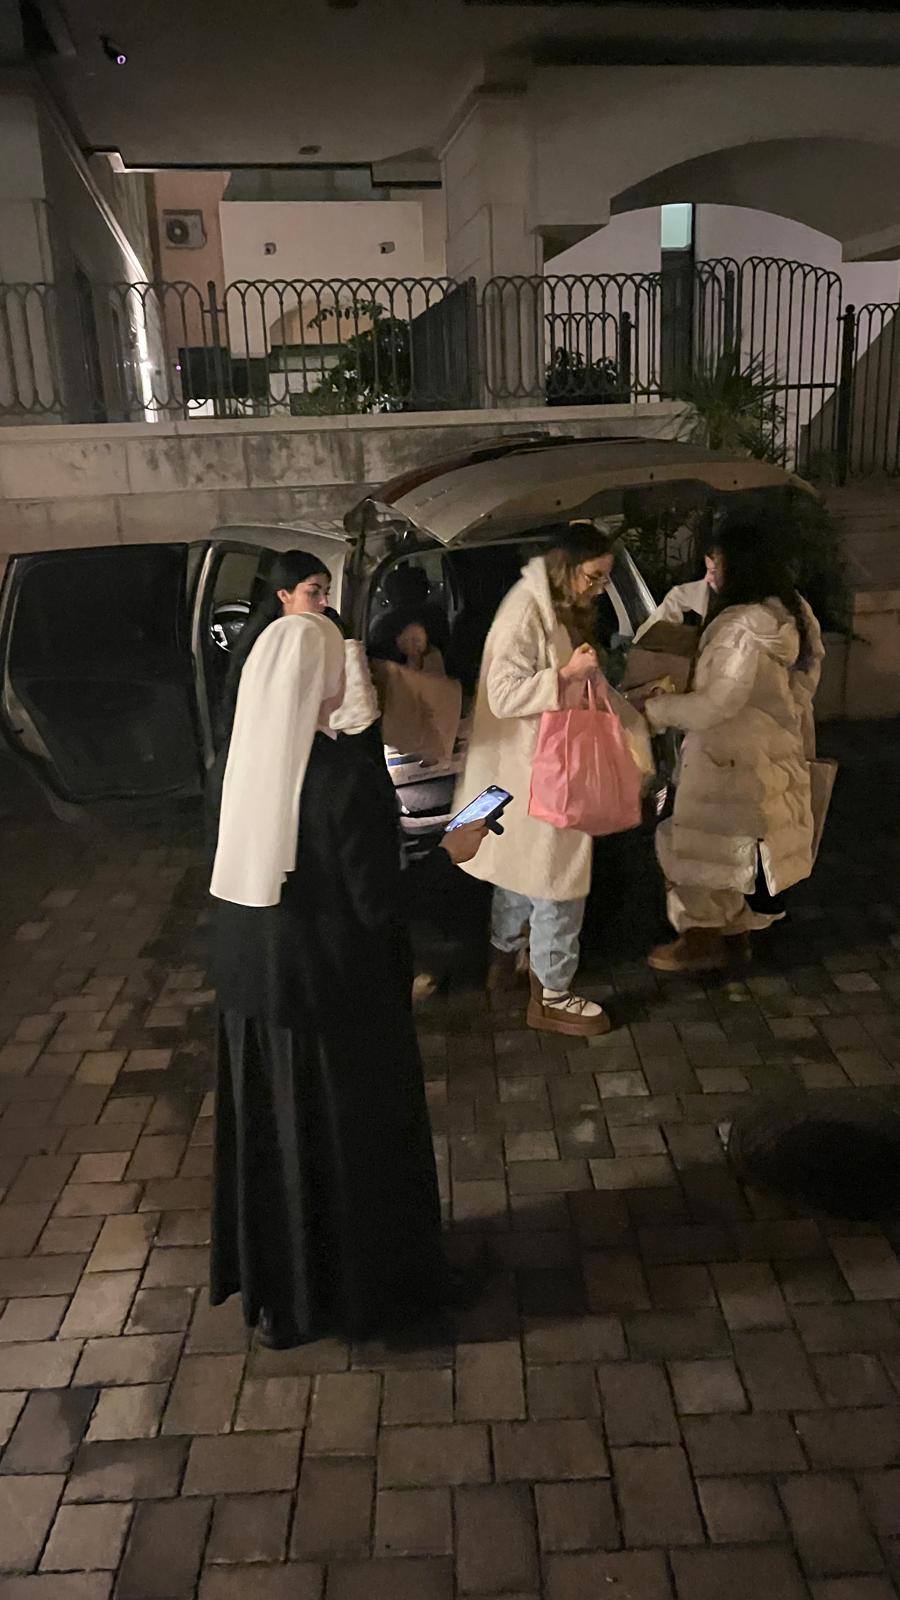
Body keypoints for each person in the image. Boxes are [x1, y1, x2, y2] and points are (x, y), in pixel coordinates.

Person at [208, 609, 487, 1348]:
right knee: (360, 1148)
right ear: (324, 682)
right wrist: (452, 853)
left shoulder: (236, 761)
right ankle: (388, 1295)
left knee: (279, 1149)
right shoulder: (343, 777)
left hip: (255, 997)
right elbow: (379, 905)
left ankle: (287, 1304)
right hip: (340, 1000)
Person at [640, 507, 825, 973]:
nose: (711, 572)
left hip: (724, 759)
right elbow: (805, 680)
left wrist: (657, 711)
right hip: (768, 753)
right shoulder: (791, 614)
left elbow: (716, 703)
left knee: (699, 849)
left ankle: (700, 939)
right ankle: (735, 936)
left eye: (717, 562)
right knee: (741, 848)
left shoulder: (739, 628)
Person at [455, 522, 617, 1039]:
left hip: (534, 765)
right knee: (557, 879)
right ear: (567, 568)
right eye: (594, 576)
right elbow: (503, 693)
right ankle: (552, 995)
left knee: (523, 868)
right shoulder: (528, 610)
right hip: (542, 768)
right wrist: (565, 677)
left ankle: (503, 961)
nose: (599, 589)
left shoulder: (546, 606)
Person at [632, 539, 720, 642]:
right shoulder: (682, 596)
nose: (707, 578)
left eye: (713, 572)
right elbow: (648, 637)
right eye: (708, 570)